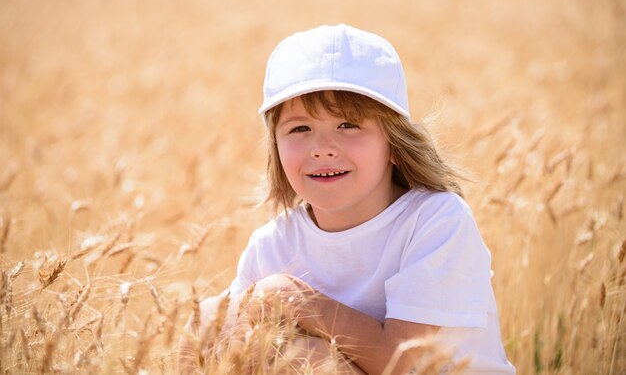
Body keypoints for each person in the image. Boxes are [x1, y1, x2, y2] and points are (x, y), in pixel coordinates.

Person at [180, 24, 515, 374]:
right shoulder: (271, 246)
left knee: (304, 358)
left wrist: (290, 297)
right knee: (204, 326)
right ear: (276, 148)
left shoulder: (435, 220)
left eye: (348, 125)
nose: (323, 149)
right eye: (299, 129)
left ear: (395, 146)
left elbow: (400, 363)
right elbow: (233, 349)